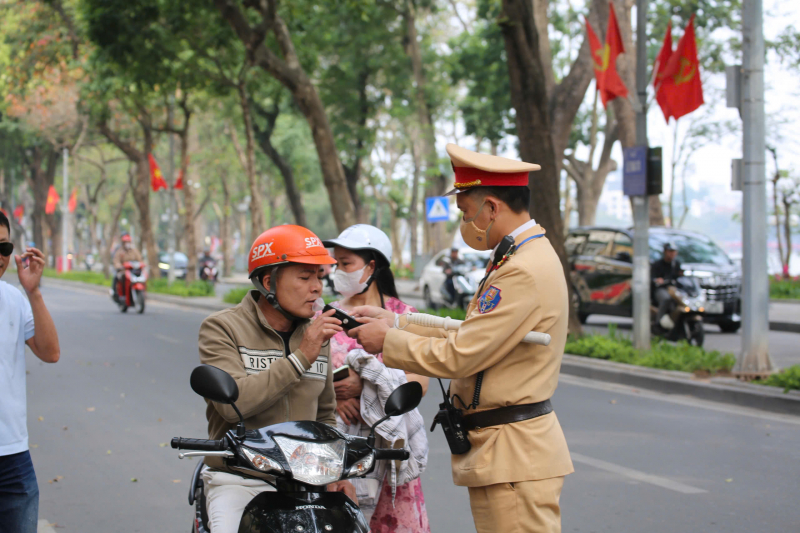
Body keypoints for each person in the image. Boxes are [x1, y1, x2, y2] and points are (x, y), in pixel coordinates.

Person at [349, 144, 574, 533]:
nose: (465, 222)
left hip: (514, 454)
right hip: (505, 450)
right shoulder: (518, 257)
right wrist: (399, 323)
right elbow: (473, 331)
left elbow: (463, 353)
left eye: (466, 212)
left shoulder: (522, 269)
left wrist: (388, 342)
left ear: (492, 207)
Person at [197, 224, 355, 533]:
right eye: (304, 277)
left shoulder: (316, 336)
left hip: (307, 482)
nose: (317, 288)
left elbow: (325, 414)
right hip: (241, 478)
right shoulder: (222, 328)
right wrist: (301, 357)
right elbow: (232, 406)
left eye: (319, 276)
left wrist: (336, 473)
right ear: (269, 282)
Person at [321, 224, 430, 532]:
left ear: (371, 267)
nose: (338, 272)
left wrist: (366, 385)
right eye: (336, 264)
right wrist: (333, 399)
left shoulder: (403, 317)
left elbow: (419, 384)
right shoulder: (324, 317)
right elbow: (305, 378)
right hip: (338, 458)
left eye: (346, 264)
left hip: (389, 452)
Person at [0, 211, 60, 533]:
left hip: (12, 457)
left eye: (4, 248)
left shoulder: (14, 299)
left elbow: (50, 353)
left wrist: (33, 292)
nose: (0, 257)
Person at [651, 241, 684, 329]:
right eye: (670, 251)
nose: (672, 254)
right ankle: (658, 322)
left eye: (674, 251)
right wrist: (658, 280)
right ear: (665, 252)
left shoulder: (676, 264)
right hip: (661, 289)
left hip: (673, 288)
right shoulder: (657, 264)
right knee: (666, 299)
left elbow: (679, 277)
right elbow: (652, 277)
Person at [111, 233, 142, 301]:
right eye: (126, 242)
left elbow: (140, 259)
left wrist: (141, 264)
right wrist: (119, 266)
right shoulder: (119, 251)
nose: (127, 244)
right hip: (123, 270)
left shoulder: (134, 251)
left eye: (128, 242)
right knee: (118, 277)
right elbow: (116, 261)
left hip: (133, 270)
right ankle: (117, 293)